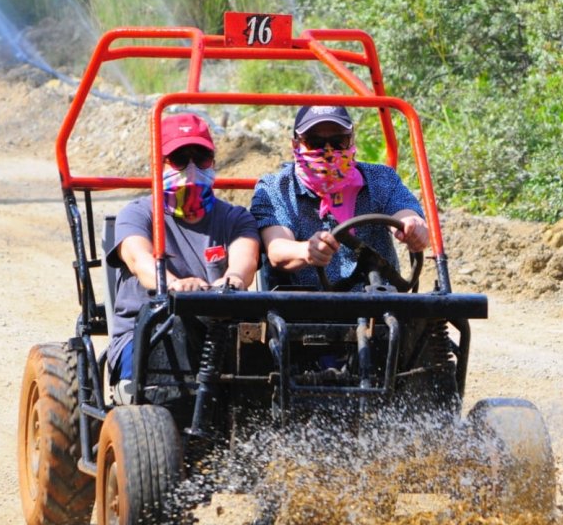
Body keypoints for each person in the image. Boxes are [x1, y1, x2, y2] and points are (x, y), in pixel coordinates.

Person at [106, 113, 260, 402]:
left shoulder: (236, 218)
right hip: (149, 333)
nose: (190, 168)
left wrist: (232, 280)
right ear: (158, 164)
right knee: (174, 325)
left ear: (212, 162)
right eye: (179, 159)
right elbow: (140, 260)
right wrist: (175, 285)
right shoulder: (138, 214)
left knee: (268, 339)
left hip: (217, 332)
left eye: (200, 157)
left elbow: (245, 262)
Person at [251, 105, 429, 289]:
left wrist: (412, 226)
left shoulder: (381, 178)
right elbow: (277, 248)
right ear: (296, 145)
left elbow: (404, 212)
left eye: (339, 141)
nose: (328, 152)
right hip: (309, 308)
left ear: (351, 140)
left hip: (380, 300)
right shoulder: (276, 189)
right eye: (314, 142)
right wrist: (307, 250)